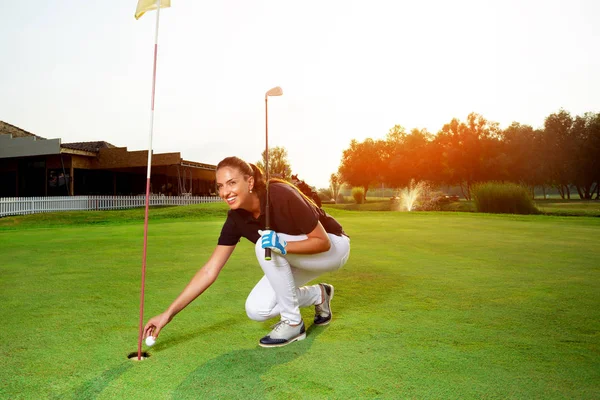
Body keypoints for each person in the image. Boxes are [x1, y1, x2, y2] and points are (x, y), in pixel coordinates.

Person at [144, 156, 351, 348]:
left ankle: (293, 323)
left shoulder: (280, 195)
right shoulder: (236, 219)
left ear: (249, 182)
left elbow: (322, 242)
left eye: (232, 183)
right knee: (257, 309)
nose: (225, 192)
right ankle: (319, 295)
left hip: (333, 249)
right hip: (295, 256)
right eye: (220, 186)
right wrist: (168, 314)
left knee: (264, 244)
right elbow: (209, 271)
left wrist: (282, 247)